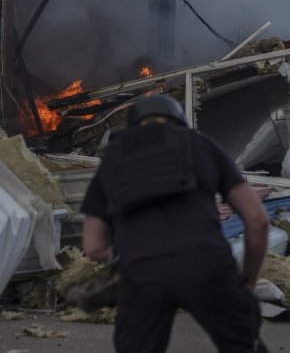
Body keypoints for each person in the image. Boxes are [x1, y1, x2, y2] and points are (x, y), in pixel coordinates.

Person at [81, 95, 270, 353]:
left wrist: (128, 257)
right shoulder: (202, 145)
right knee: (242, 345)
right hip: (207, 265)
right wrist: (247, 280)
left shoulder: (112, 160)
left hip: (141, 272)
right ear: (179, 120)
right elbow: (257, 220)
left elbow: (93, 247)